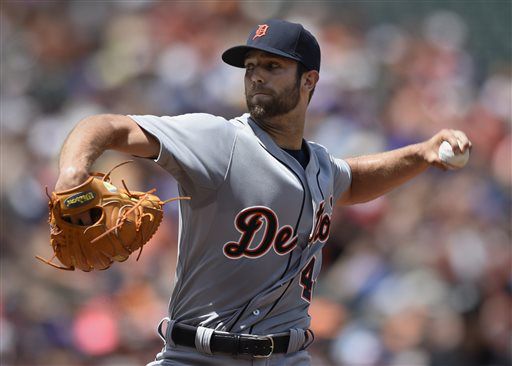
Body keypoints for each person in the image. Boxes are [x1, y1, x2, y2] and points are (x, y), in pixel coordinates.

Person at [55, 19, 471, 366]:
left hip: (289, 356)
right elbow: (109, 126)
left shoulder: (321, 165)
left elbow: (353, 180)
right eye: (250, 65)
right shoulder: (217, 140)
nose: (255, 75)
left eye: (272, 66)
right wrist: (74, 171)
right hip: (196, 355)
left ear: (309, 80)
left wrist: (421, 153)